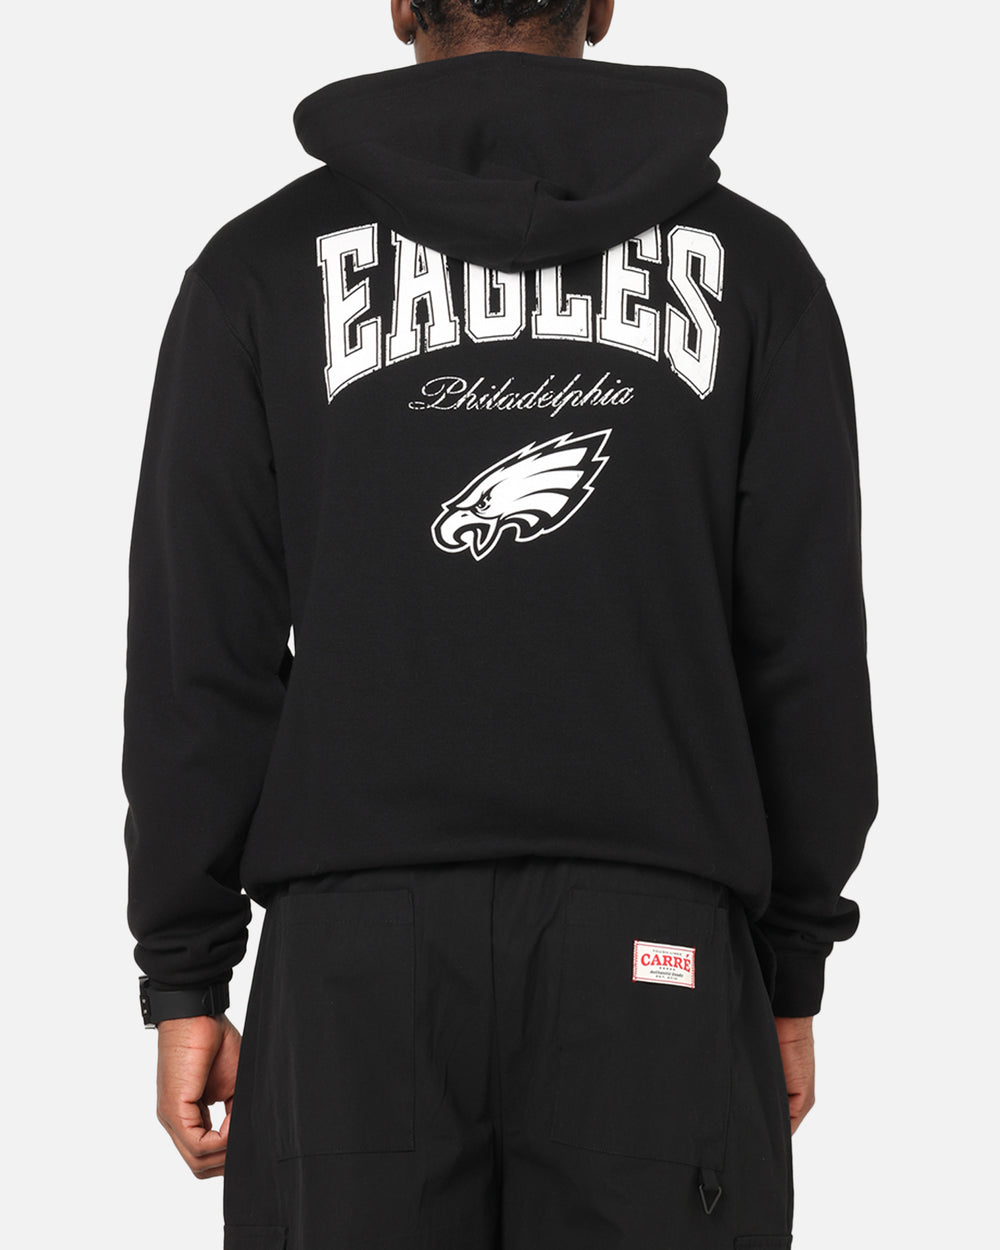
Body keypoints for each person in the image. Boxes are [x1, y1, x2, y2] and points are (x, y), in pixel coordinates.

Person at [121, 1, 879, 1246]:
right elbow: (802, 653)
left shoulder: (257, 271)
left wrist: (185, 972)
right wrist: (788, 968)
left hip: (356, 968)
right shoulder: (755, 271)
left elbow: (199, 656)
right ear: (599, 4)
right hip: (656, 954)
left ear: (400, 4)